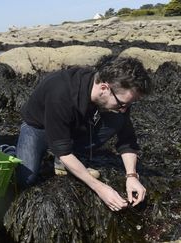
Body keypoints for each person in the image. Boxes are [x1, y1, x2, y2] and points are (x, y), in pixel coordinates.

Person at [16, 56, 151, 211]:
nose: (125, 109)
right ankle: (9, 149)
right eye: (122, 104)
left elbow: (127, 141)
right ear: (104, 88)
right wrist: (100, 189)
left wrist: (132, 176)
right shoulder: (61, 92)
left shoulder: (117, 98)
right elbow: (63, 151)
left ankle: (65, 160)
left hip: (75, 127)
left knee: (117, 119)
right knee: (26, 178)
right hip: (38, 127)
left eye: (129, 104)